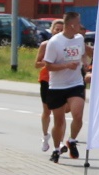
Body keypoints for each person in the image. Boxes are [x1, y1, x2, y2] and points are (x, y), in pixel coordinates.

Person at [40, 12, 89, 162]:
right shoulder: (54, 42)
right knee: (59, 121)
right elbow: (48, 66)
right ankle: (56, 149)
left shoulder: (79, 39)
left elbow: (83, 54)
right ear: (71, 25)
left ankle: (72, 140)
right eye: (78, 23)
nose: (81, 26)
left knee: (78, 115)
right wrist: (66, 65)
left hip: (76, 83)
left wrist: (85, 63)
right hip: (57, 86)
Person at [36, 18, 64, 151]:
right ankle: (45, 135)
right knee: (47, 111)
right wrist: (50, 62)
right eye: (57, 29)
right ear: (52, 30)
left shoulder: (67, 45)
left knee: (60, 114)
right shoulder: (45, 45)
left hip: (62, 81)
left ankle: (60, 141)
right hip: (46, 80)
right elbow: (37, 64)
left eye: (61, 30)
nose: (59, 32)